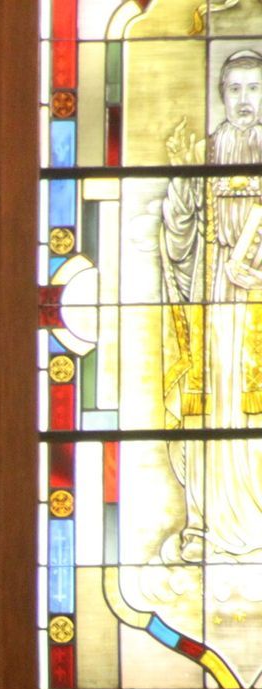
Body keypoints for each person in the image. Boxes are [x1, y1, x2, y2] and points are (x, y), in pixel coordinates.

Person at [159, 47, 262, 561]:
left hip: (260, 300)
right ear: (222, 96)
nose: (244, 99)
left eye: (254, 87)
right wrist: (182, 180)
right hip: (218, 299)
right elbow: (178, 234)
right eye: (234, 89)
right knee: (220, 406)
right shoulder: (206, 154)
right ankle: (212, 520)